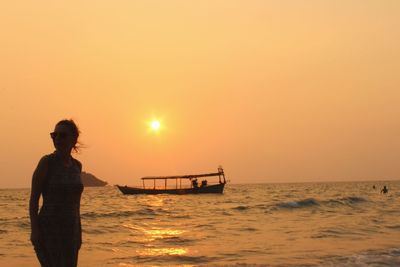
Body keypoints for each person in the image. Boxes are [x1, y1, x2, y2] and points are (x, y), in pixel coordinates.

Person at [29, 119, 84, 267]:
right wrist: (35, 230)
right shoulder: (47, 162)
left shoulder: (77, 166)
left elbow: (76, 204)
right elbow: (34, 200)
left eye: (62, 135)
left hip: (71, 231)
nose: (58, 139)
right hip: (49, 230)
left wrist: (78, 232)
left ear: (74, 138)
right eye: (54, 135)